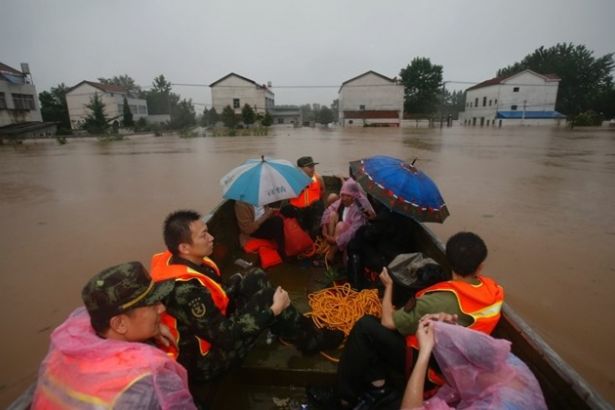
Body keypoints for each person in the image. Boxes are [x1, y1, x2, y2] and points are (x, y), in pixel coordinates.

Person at [308, 231, 504, 409]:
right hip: (460, 366)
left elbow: (388, 322)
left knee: (366, 326)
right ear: (480, 267)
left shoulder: (438, 301)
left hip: (432, 370)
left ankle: (343, 399)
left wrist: (389, 285)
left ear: (448, 261)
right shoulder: (494, 291)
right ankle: (379, 386)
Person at [150, 210, 344, 388]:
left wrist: (237, 284)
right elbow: (226, 337)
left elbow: (217, 297)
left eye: (208, 232)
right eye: (203, 236)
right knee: (269, 299)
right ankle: (310, 340)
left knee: (254, 277)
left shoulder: (188, 261)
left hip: (213, 329)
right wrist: (272, 311)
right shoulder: (185, 291)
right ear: (184, 247)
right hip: (207, 361)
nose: (211, 238)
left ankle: (292, 327)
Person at [32, 262, 196, 409]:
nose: (162, 309)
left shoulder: (69, 342)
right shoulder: (149, 382)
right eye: (153, 305)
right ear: (119, 324)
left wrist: (154, 327)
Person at [401, 314, 546, 410]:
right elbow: (471, 345)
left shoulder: (492, 406)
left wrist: (424, 353)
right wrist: (452, 329)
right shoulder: (509, 361)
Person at [321, 178, 375, 263]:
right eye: (342, 195)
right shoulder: (343, 199)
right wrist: (324, 225)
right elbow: (329, 209)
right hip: (343, 232)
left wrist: (336, 241)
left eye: (348, 196)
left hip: (356, 237)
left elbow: (353, 231)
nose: (344, 198)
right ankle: (331, 246)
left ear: (354, 196)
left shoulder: (360, 207)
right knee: (332, 215)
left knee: (340, 225)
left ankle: (331, 254)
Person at [288, 156, 326, 237]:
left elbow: (322, 192)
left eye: (313, 166)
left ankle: (315, 236)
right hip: (298, 211)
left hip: (313, 210)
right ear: (300, 169)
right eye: (310, 167)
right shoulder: (292, 181)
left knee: (318, 205)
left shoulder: (318, 178)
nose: (313, 169)